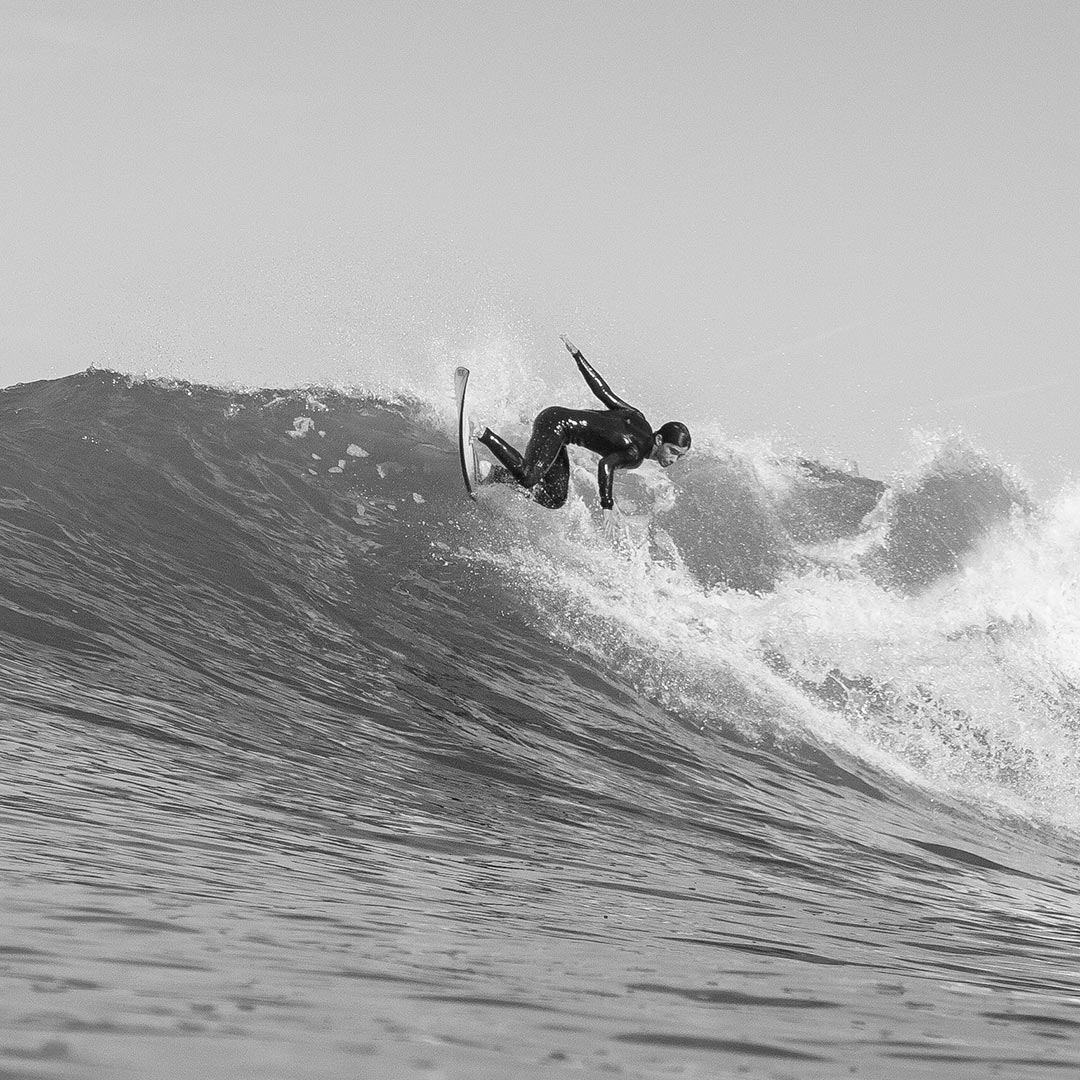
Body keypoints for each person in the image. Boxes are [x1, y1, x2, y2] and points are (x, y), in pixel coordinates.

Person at [474, 335, 691, 538]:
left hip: (558, 427)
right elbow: (605, 465)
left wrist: (578, 356)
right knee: (529, 476)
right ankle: (482, 432)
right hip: (556, 425)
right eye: (673, 451)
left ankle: (492, 473)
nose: (673, 459)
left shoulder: (639, 418)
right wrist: (607, 504)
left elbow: (603, 391)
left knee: (555, 498)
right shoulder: (636, 454)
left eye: (679, 456)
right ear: (660, 440)